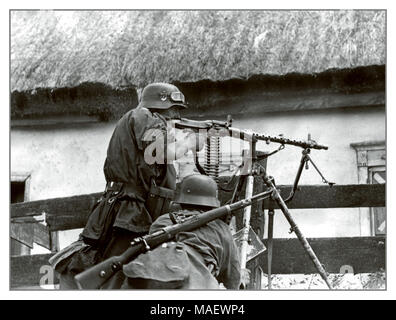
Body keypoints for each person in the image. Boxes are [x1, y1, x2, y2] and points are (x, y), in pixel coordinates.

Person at [49, 83, 205, 289]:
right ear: (159, 104)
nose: (176, 114)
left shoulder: (141, 120)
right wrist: (192, 142)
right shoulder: (146, 117)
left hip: (127, 206)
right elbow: (161, 153)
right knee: (120, 271)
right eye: (174, 109)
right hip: (129, 210)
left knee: (122, 268)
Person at [119, 174, 241, 289]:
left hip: (152, 282)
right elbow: (232, 278)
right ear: (213, 202)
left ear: (181, 200)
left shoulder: (163, 220)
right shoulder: (221, 228)